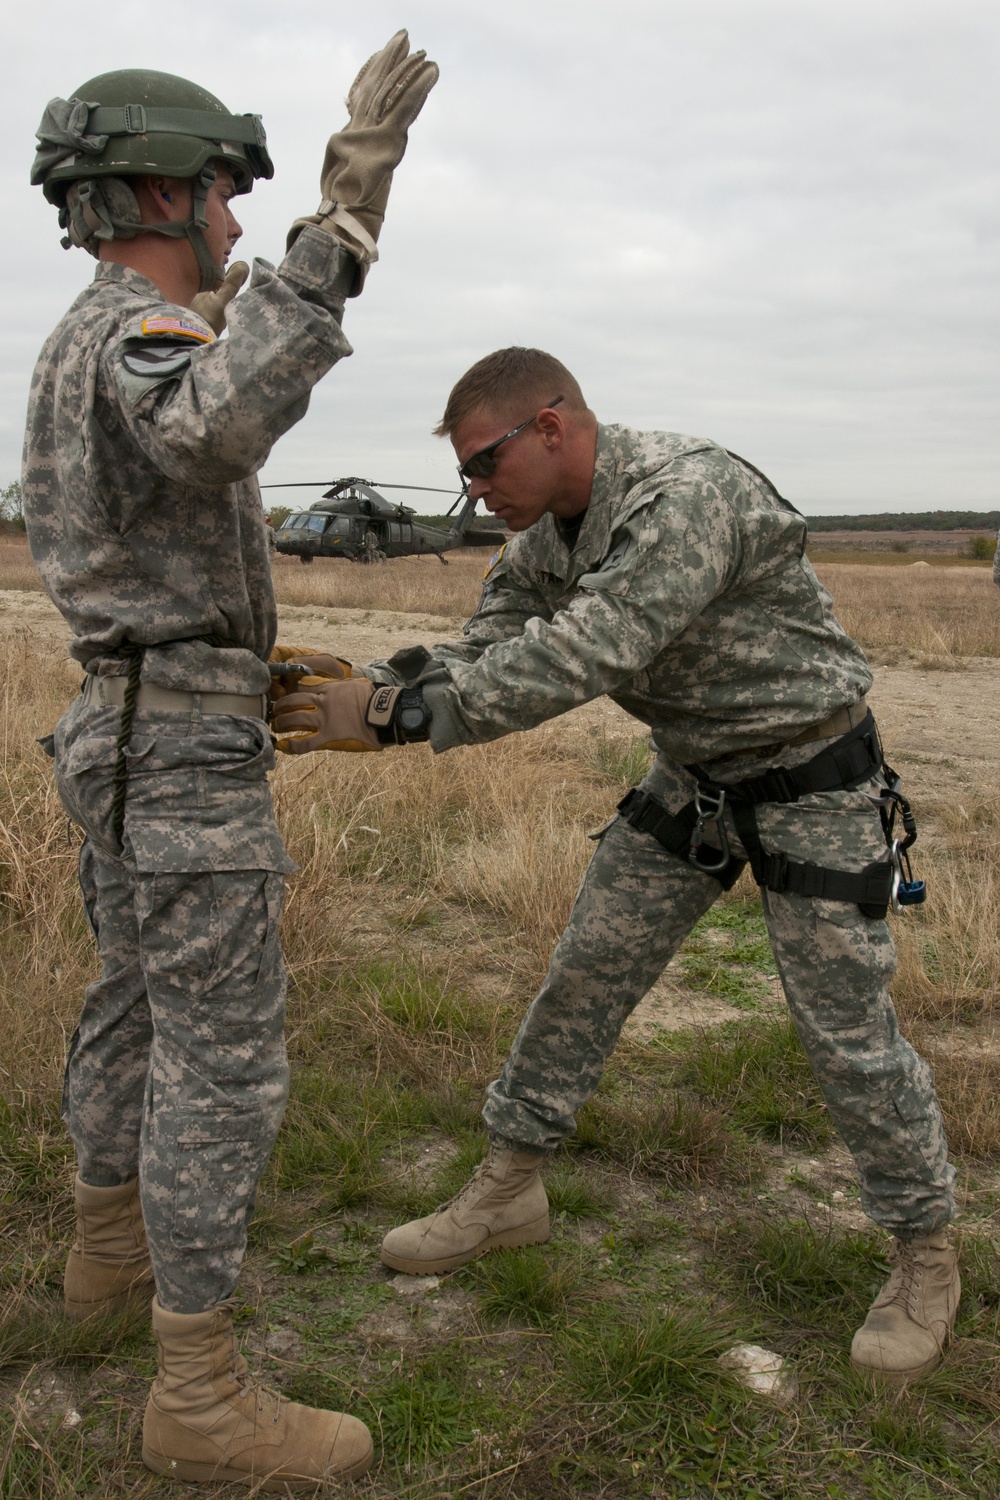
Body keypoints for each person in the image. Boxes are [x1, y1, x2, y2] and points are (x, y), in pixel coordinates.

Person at [271, 346, 961, 1384]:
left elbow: (594, 646)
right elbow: (492, 643)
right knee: (584, 975)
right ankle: (508, 1188)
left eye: (483, 462)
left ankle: (925, 1253)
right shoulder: (541, 536)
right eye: (464, 473)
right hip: (692, 782)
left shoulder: (684, 493)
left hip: (810, 782)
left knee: (846, 1035)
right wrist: (383, 682)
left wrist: (399, 720)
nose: (474, 490)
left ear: (551, 426)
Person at [24, 38, 436, 1489]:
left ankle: (103, 1260)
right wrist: (339, 233)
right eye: (220, 193)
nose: (235, 224)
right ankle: (196, 1395)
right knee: (224, 1060)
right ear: (154, 192)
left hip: (132, 726)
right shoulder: (140, 338)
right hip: (175, 755)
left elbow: (146, 531)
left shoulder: (78, 342)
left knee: (133, 1002)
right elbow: (212, 433)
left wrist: (222, 661)